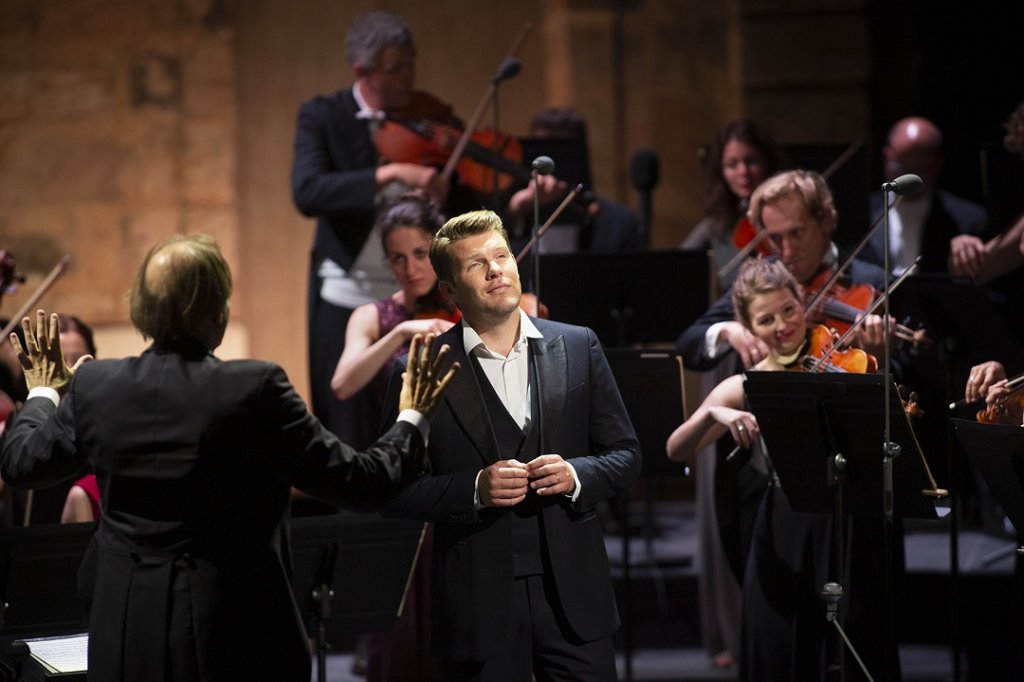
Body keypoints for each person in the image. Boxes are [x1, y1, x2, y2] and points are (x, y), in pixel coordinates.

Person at [0, 233, 458, 682]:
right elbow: (363, 483)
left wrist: (42, 389)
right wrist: (413, 416)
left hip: (125, 631)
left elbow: (21, 464)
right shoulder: (255, 387)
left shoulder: (94, 385)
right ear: (217, 313)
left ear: (141, 311)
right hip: (237, 632)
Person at [379, 210, 641, 680]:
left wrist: (577, 474)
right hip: (478, 602)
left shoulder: (579, 346)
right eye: (476, 264)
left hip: (575, 600)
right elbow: (394, 490)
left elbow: (626, 455)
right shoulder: (417, 369)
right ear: (449, 290)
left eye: (501, 256)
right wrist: (475, 488)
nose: (495, 269)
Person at [667, 257, 900, 681]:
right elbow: (675, 449)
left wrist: (879, 357)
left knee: (852, 648)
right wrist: (713, 415)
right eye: (766, 319)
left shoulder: (839, 358)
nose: (782, 325)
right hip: (782, 524)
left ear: (804, 304)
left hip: (845, 520)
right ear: (750, 328)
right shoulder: (746, 382)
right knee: (783, 650)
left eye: (789, 310)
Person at [292, 11, 464, 448]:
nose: (409, 77)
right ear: (362, 72)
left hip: (419, 292)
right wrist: (390, 174)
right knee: (346, 428)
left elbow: (468, 196)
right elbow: (308, 191)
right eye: (395, 69)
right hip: (347, 289)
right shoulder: (324, 115)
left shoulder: (426, 119)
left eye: (411, 64)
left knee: (419, 420)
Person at [864, 116, 990, 277]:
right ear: (886, 158)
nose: (906, 180)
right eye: (900, 169)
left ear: (937, 165)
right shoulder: (860, 213)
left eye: (918, 172)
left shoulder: (969, 221)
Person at [681, 119, 780, 291]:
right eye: (732, 165)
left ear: (767, 162)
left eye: (751, 162)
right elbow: (677, 264)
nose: (743, 172)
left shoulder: (786, 217)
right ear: (721, 170)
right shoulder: (716, 226)